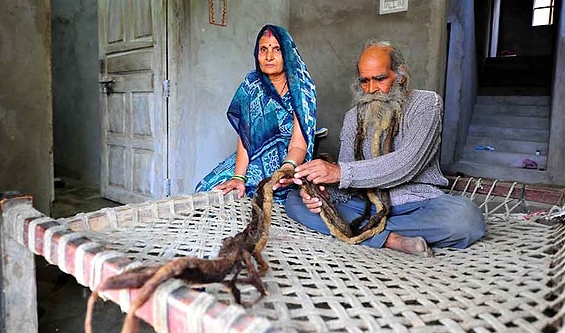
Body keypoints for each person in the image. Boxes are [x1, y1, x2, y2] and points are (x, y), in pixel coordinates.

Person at [279, 40, 485, 256]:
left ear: (400, 75)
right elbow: (345, 185)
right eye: (364, 81)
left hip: (417, 205)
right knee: (295, 201)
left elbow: (407, 164)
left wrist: (338, 172)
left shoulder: (426, 104)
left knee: (466, 219)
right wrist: (319, 193)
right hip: (365, 205)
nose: (371, 89)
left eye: (379, 79)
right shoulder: (353, 118)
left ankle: (362, 231)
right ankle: (390, 240)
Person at [195, 24, 317, 204]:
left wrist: (286, 169)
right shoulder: (251, 84)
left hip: (290, 159)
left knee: (269, 195)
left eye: (277, 49)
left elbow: (299, 144)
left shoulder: (302, 89)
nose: (269, 56)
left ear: (288, 53)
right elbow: (245, 137)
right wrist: (239, 177)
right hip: (254, 154)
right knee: (207, 189)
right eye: (263, 49)